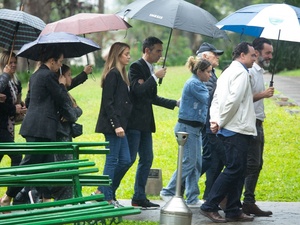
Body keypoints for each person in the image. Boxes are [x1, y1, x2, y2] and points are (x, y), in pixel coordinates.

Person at [0, 44, 72, 207]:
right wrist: (61, 84)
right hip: (41, 128)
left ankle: (46, 201)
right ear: (52, 61)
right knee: (29, 164)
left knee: (45, 166)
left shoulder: (37, 75)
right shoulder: (48, 76)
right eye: (60, 62)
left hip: (38, 127)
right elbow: (62, 99)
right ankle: (7, 197)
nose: (61, 65)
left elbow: (32, 100)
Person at [111, 37, 179, 208]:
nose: (160, 55)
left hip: (146, 123)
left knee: (147, 158)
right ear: (147, 50)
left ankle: (139, 196)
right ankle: (107, 191)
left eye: (161, 51)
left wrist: (175, 103)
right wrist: (154, 77)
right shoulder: (136, 67)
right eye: (157, 51)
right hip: (134, 122)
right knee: (128, 159)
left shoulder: (149, 69)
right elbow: (138, 91)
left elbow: (151, 97)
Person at [200, 42, 257, 223]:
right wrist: (220, 122)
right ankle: (210, 204)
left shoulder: (226, 72)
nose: (255, 59)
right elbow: (233, 101)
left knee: (238, 169)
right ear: (242, 55)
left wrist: (215, 120)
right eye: (252, 55)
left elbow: (216, 99)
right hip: (236, 128)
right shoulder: (240, 72)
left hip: (229, 126)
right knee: (234, 168)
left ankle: (233, 209)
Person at [160, 57, 212, 207]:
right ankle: (168, 191)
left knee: (196, 164)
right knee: (189, 162)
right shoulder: (195, 84)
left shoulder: (198, 82)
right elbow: (208, 98)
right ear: (199, 71)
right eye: (208, 72)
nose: (210, 75)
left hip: (194, 129)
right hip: (187, 128)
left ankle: (192, 197)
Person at [94, 42, 132, 208]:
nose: (129, 57)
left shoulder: (122, 74)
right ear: (117, 55)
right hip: (112, 126)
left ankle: (101, 191)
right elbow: (107, 103)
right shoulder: (112, 75)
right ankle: (107, 198)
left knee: (126, 160)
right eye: (126, 54)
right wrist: (116, 125)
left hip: (121, 125)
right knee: (112, 160)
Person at [242, 37, 274, 216]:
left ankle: (248, 201)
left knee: (257, 164)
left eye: (271, 53)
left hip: (259, 123)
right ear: (257, 52)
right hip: (250, 123)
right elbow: (244, 97)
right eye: (267, 53)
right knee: (251, 164)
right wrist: (263, 94)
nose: (270, 56)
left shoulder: (259, 72)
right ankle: (240, 201)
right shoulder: (250, 72)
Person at [0, 51, 26, 166]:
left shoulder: (15, 81)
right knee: (16, 155)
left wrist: (21, 105)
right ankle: (15, 184)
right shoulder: (2, 80)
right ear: (3, 63)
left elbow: (15, 101)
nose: (13, 65)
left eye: (15, 62)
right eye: (10, 62)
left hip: (8, 125)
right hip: (1, 126)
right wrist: (13, 109)